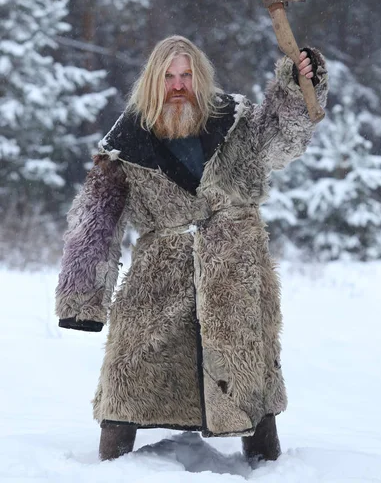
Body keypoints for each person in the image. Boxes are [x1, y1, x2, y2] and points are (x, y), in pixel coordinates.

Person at [55, 35, 328, 464]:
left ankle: (267, 466)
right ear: (153, 81)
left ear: (199, 77)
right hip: (158, 277)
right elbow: (96, 220)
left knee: (246, 370)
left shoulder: (236, 121)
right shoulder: (126, 140)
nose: (178, 84)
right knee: (132, 371)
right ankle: (110, 467)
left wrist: (296, 87)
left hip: (235, 271)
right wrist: (82, 301)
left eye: (186, 75)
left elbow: (283, 141)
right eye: (168, 76)